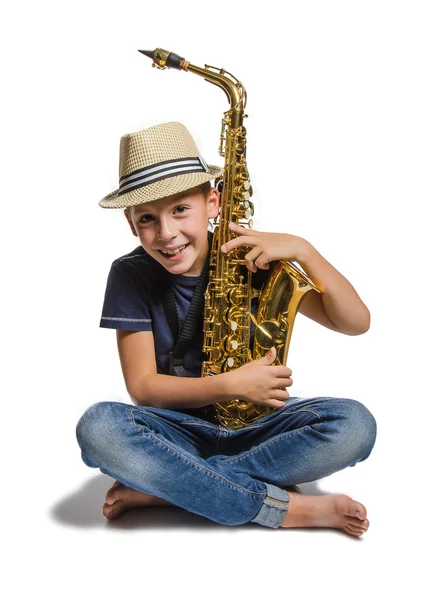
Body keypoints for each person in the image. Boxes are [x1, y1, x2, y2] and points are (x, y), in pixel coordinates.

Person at [76, 121, 377, 536]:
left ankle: (170, 488)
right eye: (148, 218)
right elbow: (143, 388)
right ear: (131, 224)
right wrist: (233, 384)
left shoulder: (254, 259)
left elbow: (356, 323)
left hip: (259, 427)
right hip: (176, 429)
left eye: (181, 209)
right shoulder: (129, 274)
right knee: (99, 428)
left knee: (356, 424)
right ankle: (286, 509)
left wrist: (304, 250)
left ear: (213, 202)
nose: (167, 233)